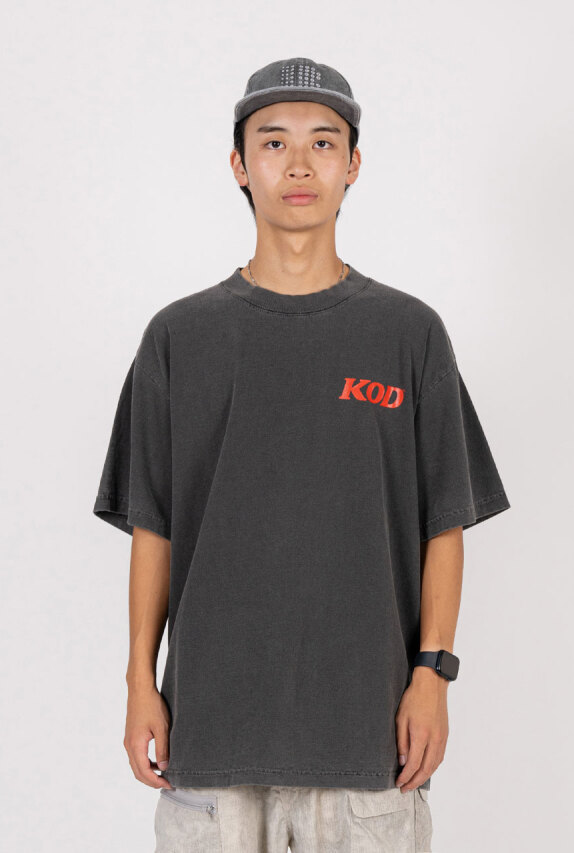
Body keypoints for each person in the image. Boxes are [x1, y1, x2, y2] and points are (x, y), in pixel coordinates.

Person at [92, 57, 511, 853]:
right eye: (273, 141)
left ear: (353, 165)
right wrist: (140, 682)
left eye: (322, 143)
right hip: (210, 732)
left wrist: (433, 674)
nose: (298, 164)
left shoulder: (408, 333)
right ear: (239, 164)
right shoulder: (179, 337)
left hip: (366, 737)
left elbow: (444, 523)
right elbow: (155, 527)